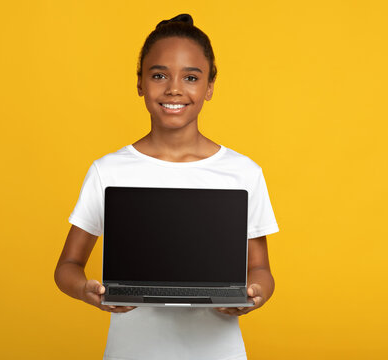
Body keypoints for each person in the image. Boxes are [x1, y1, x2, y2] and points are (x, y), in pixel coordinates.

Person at [54, 13, 279, 360]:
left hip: (217, 351)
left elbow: (260, 269)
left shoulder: (243, 172)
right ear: (140, 83)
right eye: (159, 75)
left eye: (191, 77)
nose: (174, 88)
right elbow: (67, 265)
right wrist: (87, 291)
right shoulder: (108, 170)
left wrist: (252, 296)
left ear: (210, 87)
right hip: (131, 351)